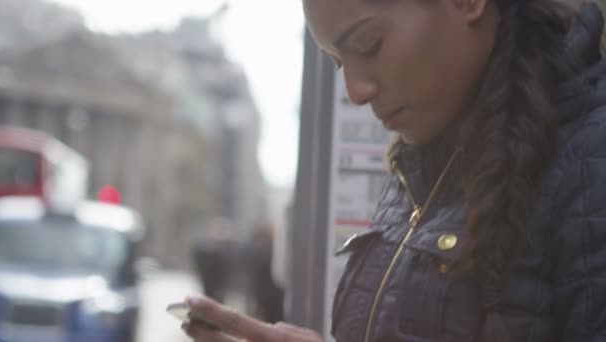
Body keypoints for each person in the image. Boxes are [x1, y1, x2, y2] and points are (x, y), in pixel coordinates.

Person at [182, 0, 606, 341]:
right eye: (338, 62)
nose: (355, 91)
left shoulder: (590, 156)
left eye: (369, 46)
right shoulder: (422, 165)